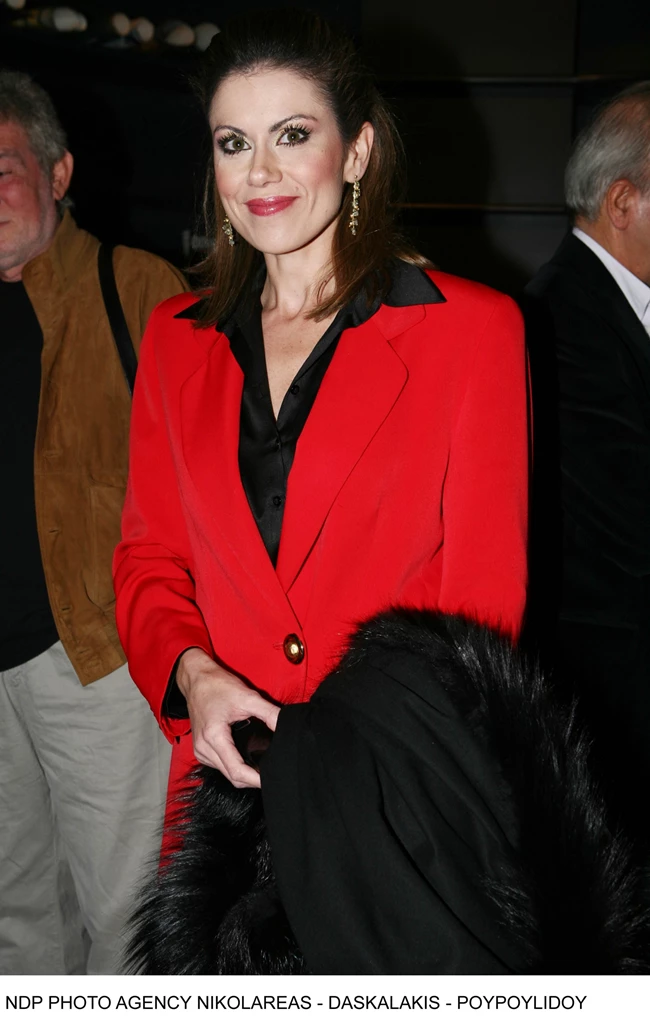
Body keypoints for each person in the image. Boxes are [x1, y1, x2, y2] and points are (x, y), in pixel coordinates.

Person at [113, 10, 528, 817]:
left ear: (358, 151)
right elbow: (148, 558)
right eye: (234, 143)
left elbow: (483, 605)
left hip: (397, 782)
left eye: (293, 135)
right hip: (227, 782)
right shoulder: (175, 338)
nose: (260, 172)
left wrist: (373, 747)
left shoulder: (473, 332)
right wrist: (193, 675)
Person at [0, 71, 187, 974]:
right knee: (14, 913)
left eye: (2, 169)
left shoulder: (138, 288)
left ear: (59, 172)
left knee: (125, 918)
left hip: (98, 660)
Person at [524, 83, 650, 838]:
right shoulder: (559, 319)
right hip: (611, 708)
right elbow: (628, 525)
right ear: (624, 201)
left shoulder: (615, 305)